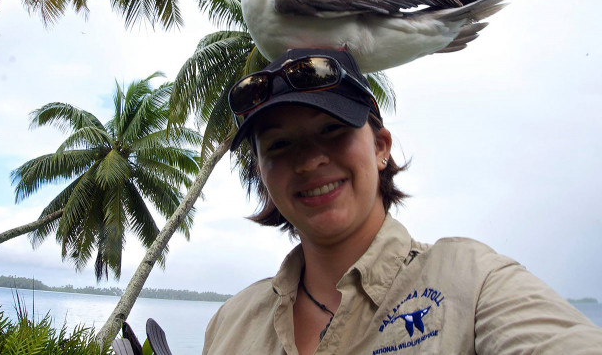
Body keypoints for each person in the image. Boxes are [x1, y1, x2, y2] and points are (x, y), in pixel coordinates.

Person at [202, 48, 602, 354]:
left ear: (380, 147)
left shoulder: (473, 283)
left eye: (331, 129)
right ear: (261, 173)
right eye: (280, 144)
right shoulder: (230, 324)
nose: (309, 160)